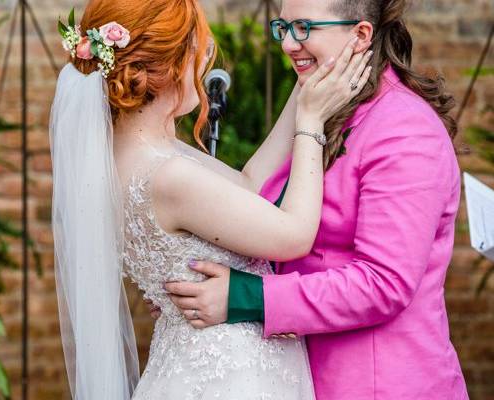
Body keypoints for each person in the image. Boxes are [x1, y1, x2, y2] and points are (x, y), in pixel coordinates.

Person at [49, 0, 371, 398]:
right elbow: (294, 234)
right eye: (197, 50)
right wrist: (310, 123)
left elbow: (249, 184)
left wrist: (307, 87)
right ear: (168, 66)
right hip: (227, 378)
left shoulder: (139, 154)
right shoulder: (167, 175)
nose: (203, 63)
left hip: (196, 365)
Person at [164, 0, 469, 399]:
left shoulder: (406, 130)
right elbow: (275, 228)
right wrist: (197, 286)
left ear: (360, 35)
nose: (289, 43)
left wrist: (245, 296)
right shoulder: (318, 110)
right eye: (284, 28)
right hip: (301, 375)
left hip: (378, 385)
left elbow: (384, 283)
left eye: (305, 27)